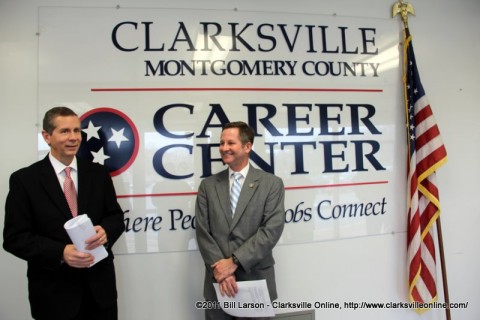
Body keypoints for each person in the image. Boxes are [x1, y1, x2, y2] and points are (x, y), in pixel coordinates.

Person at [3, 106, 125, 320]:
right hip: (54, 297)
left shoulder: (98, 174)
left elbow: (115, 217)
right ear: (46, 136)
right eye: (65, 131)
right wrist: (61, 252)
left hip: (99, 293)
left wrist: (106, 231)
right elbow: (15, 238)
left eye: (77, 131)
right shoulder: (25, 180)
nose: (73, 138)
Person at [195, 121, 285, 320]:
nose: (224, 148)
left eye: (230, 143)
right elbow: (203, 231)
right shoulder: (208, 186)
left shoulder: (272, 184)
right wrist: (223, 272)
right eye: (221, 143)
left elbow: (271, 230)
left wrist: (234, 262)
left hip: (256, 282)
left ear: (247, 146)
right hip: (218, 284)